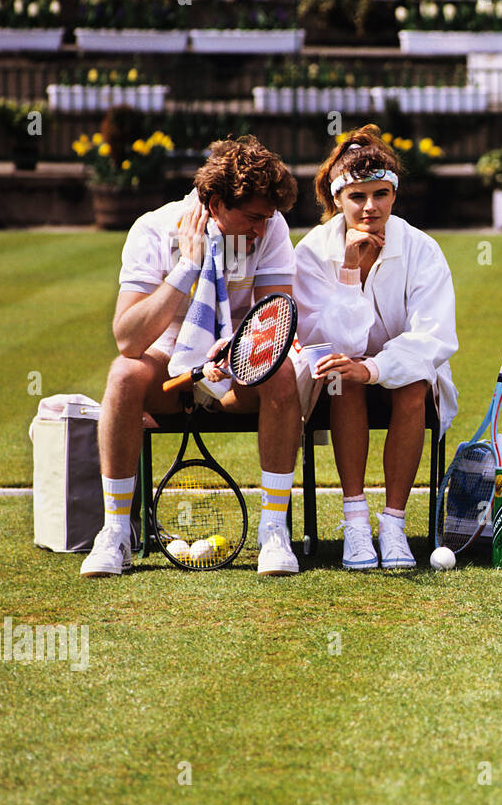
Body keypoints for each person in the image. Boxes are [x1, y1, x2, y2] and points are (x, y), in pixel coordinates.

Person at [81, 137, 303, 578]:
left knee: (281, 372)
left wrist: (238, 347)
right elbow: (128, 339)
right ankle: (116, 532)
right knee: (123, 374)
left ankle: (273, 531)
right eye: (254, 217)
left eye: (268, 218)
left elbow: (276, 323)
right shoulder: (153, 228)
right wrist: (187, 267)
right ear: (217, 202)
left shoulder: (271, 228)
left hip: (235, 370)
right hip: (169, 371)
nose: (262, 229)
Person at [293, 128, 459, 571]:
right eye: (358, 197)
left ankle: (394, 525)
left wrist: (376, 369)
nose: (371, 207)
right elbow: (326, 343)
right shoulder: (311, 252)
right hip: (336, 380)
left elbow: (434, 337)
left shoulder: (423, 249)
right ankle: (355, 521)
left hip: (402, 375)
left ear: (394, 193)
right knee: (341, 378)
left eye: (381, 194)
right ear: (337, 199)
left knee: (413, 383)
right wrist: (349, 270)